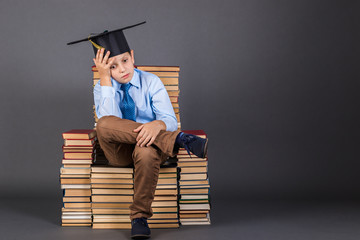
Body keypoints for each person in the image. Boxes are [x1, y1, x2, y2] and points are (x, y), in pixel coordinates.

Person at [67, 21, 208, 239]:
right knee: (104, 123)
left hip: (150, 148)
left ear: (132, 56)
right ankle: (178, 140)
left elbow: (169, 118)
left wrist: (157, 125)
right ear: (103, 68)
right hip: (119, 152)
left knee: (146, 149)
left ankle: (139, 218)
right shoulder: (102, 87)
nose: (122, 69)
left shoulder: (152, 82)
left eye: (125, 60)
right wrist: (105, 78)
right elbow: (107, 123)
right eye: (112, 66)